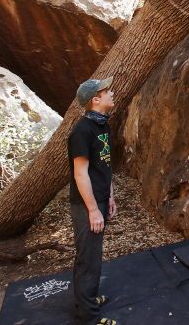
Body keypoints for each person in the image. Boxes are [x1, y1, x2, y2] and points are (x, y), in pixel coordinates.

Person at [68, 77, 118, 325]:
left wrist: (109, 195)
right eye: (107, 91)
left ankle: (86, 301)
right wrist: (92, 210)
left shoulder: (102, 126)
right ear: (95, 100)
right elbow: (80, 173)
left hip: (98, 199)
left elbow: (104, 166)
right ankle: (88, 317)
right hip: (85, 204)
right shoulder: (82, 131)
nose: (112, 93)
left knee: (93, 255)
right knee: (88, 257)